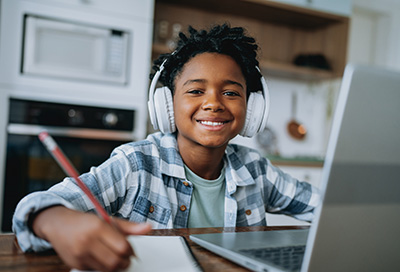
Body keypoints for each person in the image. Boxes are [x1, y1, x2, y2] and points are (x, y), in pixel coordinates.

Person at [12, 24, 320, 272]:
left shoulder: (256, 170)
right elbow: (36, 206)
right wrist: (55, 220)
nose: (213, 103)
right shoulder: (136, 164)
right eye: (196, 90)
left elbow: (324, 207)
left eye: (230, 92)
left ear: (252, 109)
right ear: (166, 106)